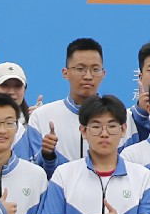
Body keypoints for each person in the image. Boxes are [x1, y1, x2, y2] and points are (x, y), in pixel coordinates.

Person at [27, 37, 109, 170]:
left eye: (95, 69)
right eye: (80, 69)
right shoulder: (41, 117)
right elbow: (30, 171)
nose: (88, 76)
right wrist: (48, 156)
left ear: (103, 73)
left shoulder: (119, 118)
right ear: (65, 73)